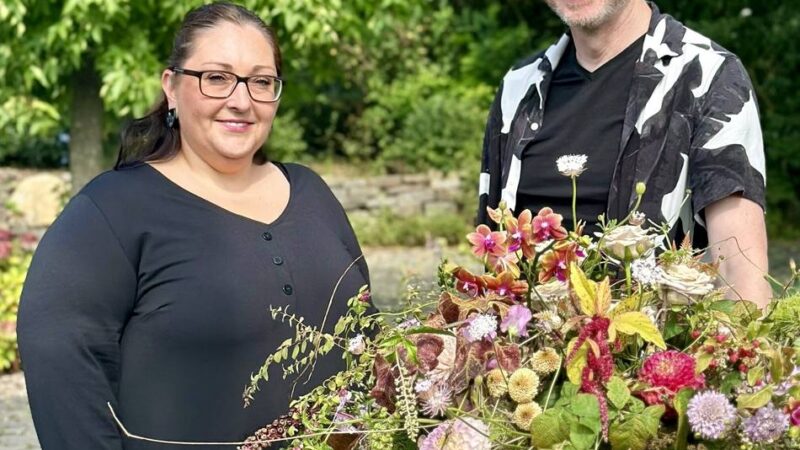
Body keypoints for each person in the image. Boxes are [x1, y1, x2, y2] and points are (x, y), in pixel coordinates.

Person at [17, 3, 370, 449]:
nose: (241, 100)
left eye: (261, 82)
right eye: (217, 78)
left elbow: (366, 339)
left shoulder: (312, 193)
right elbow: (63, 370)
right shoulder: (110, 212)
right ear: (172, 87)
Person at [477, 0, 770, 307]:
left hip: (654, 348)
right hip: (527, 349)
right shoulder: (518, 89)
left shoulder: (708, 77)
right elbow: (493, 263)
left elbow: (742, 275)